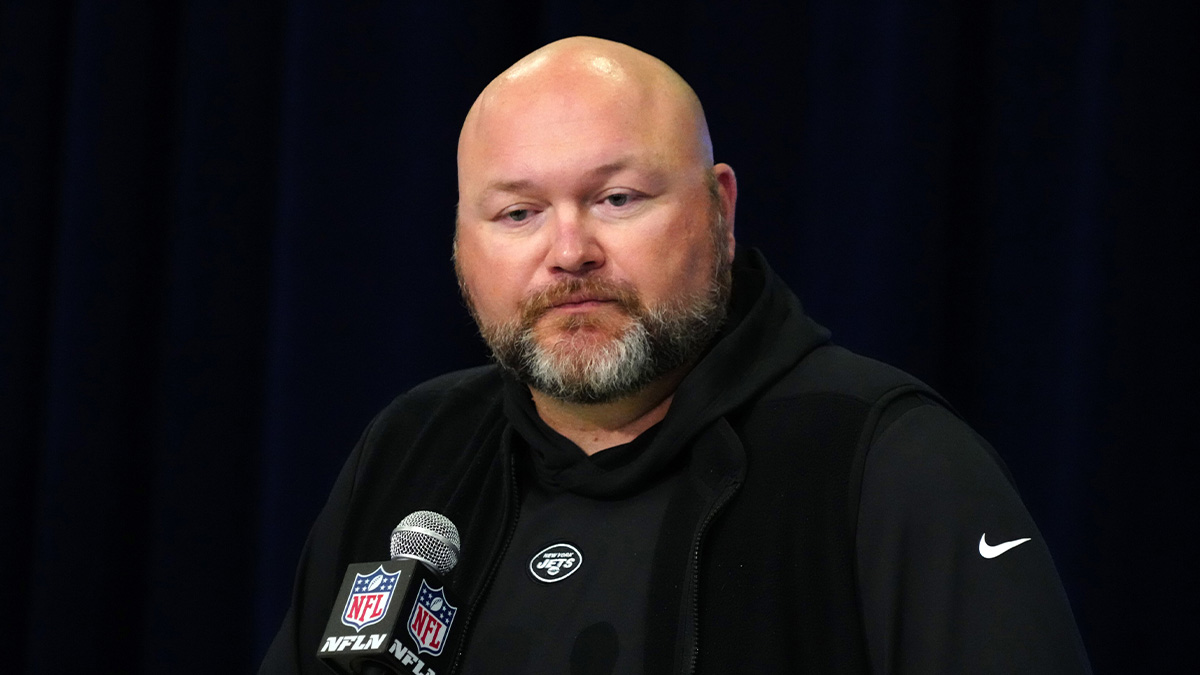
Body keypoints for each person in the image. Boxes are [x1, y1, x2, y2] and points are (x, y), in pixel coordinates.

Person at [261, 36, 1091, 674]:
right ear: (457, 241)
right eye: (517, 213)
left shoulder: (891, 460)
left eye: (617, 198)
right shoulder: (413, 450)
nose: (569, 250)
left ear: (719, 209)